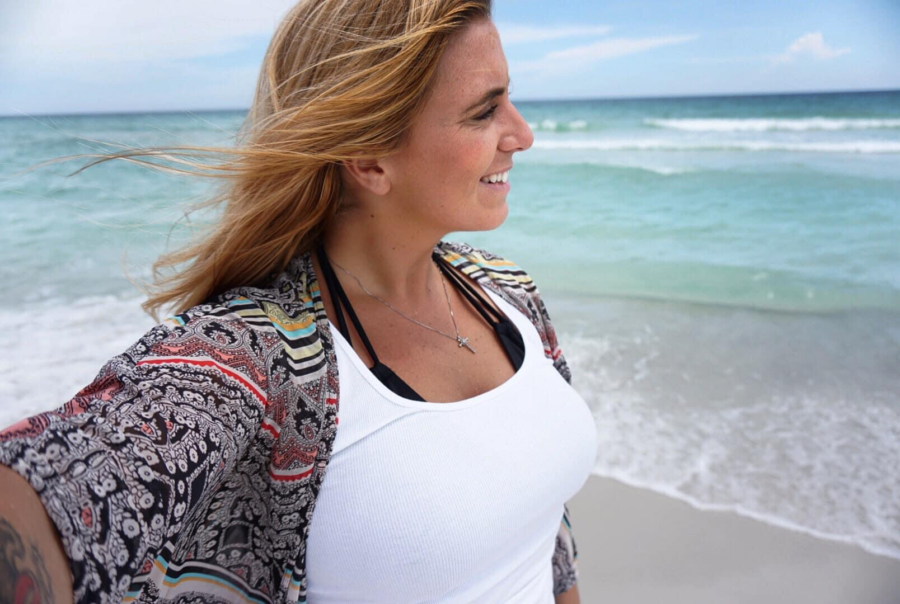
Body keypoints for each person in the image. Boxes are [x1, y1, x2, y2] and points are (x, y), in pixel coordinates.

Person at [0, 1, 598, 602]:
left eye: (508, 99)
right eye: (484, 111)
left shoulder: (502, 290)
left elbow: (549, 539)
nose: (522, 134)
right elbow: (77, 479)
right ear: (367, 157)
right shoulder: (256, 357)